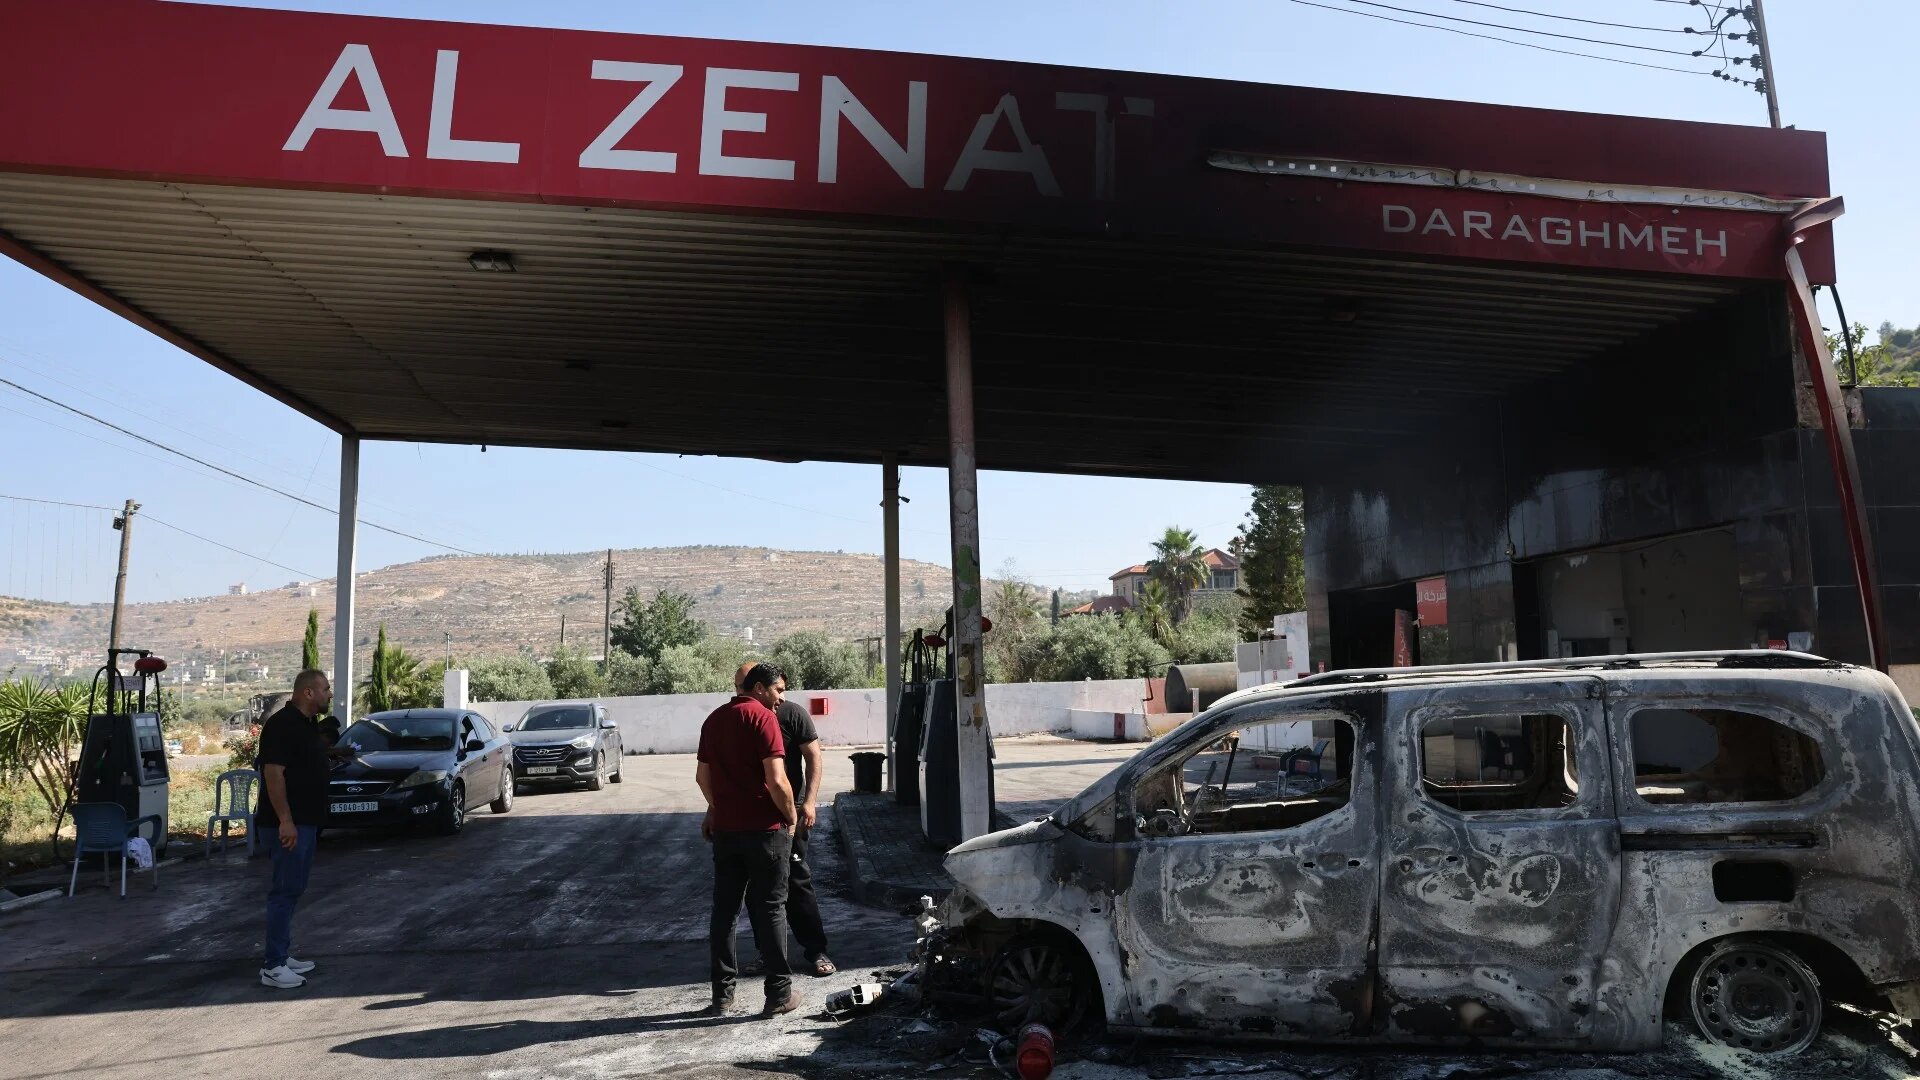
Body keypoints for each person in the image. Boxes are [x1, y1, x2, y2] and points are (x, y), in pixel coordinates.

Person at [697, 663, 801, 1017]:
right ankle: (779, 996)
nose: (781, 699)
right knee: (770, 908)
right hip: (765, 832)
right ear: (759, 688)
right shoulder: (764, 719)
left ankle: (722, 996)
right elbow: (777, 780)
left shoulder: (713, 720)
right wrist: (790, 815)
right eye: (779, 690)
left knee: (724, 911)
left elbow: (702, 777)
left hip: (727, 833)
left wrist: (717, 807)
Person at [733, 661, 834, 977]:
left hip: (788, 817)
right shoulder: (737, 718)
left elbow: (813, 757)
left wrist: (809, 802)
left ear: (760, 685)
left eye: (747, 687)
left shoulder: (791, 714)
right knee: (756, 888)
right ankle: (768, 953)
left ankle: (816, 950)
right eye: (738, 688)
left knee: (795, 880)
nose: (742, 693)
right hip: (750, 820)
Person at [255, 669, 351, 989]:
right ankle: (273, 966)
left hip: (306, 823)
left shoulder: (306, 725)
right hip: (288, 825)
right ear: (308, 693)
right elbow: (273, 774)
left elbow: (304, 763)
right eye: (325, 689)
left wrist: (332, 756)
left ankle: (282, 953)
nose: (329, 694)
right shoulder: (281, 725)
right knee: (283, 891)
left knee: (293, 889)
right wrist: (286, 820)